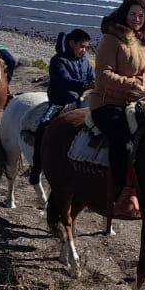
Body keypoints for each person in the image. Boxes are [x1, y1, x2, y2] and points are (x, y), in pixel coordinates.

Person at [90, 0, 145, 220]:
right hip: (108, 102)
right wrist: (133, 86)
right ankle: (121, 194)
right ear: (124, 14)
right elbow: (102, 76)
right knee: (122, 139)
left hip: (140, 101)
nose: (137, 18)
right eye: (133, 14)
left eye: (141, 15)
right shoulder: (111, 40)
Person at [29, 29, 95, 186]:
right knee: (43, 125)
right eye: (82, 46)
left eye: (86, 47)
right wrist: (85, 85)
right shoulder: (58, 60)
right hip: (60, 101)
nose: (84, 50)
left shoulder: (85, 61)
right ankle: (36, 166)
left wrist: (93, 83)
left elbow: (92, 76)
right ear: (72, 43)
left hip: (82, 100)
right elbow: (64, 80)